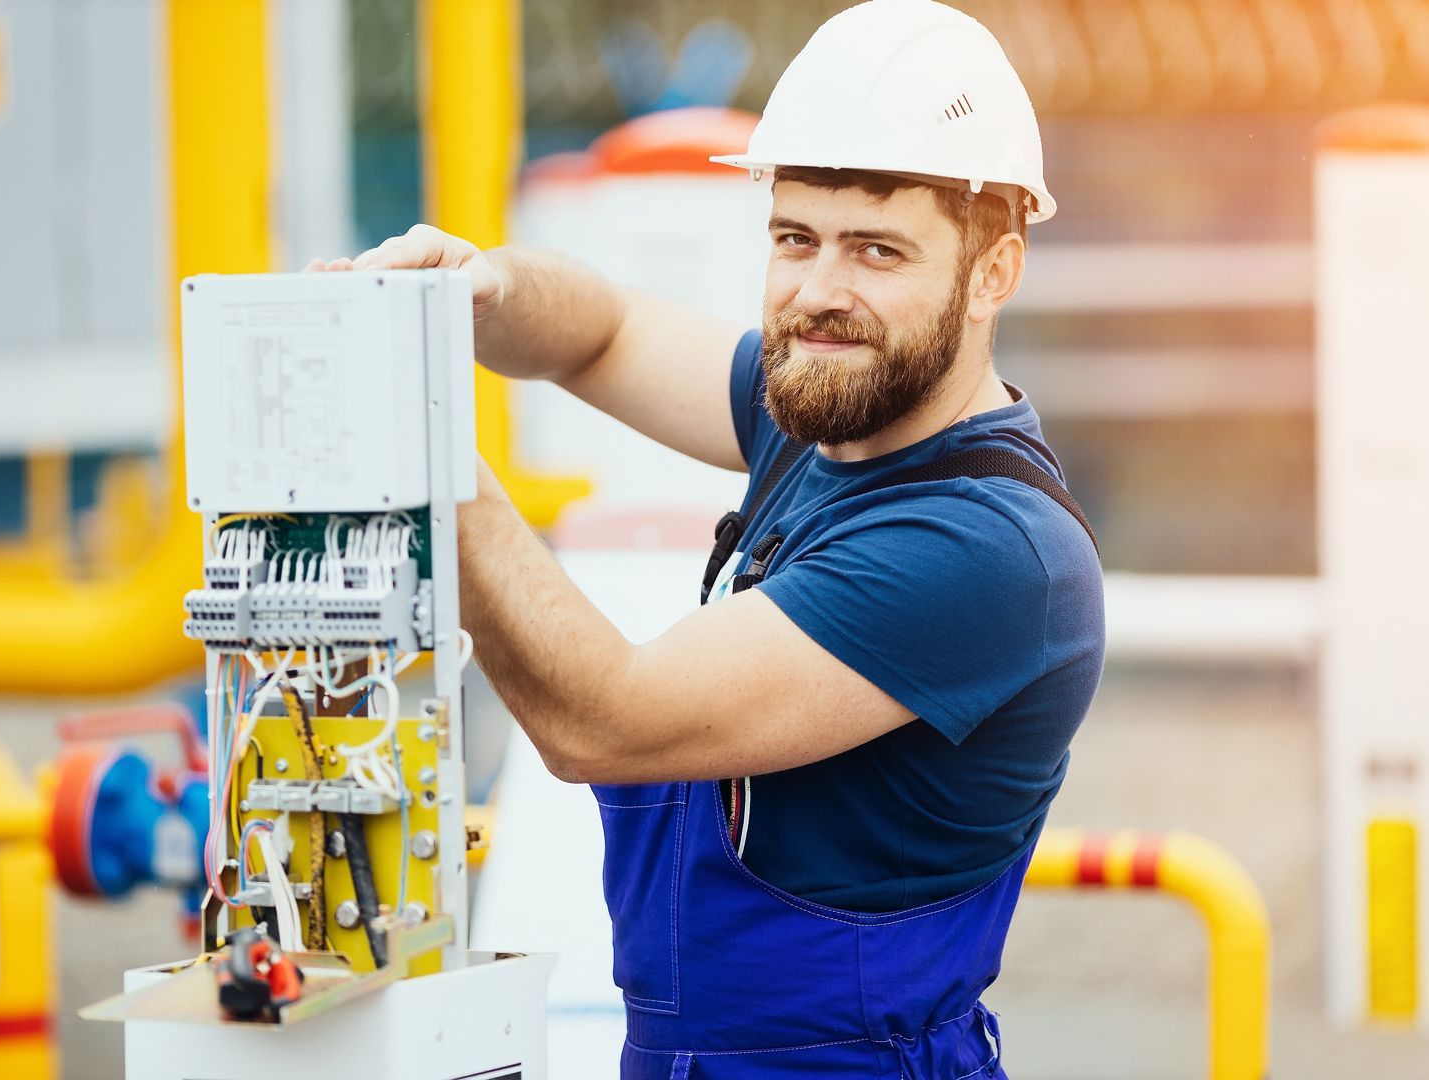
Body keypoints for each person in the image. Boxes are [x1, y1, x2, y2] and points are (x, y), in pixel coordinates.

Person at [311, 2, 1103, 1075]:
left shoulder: (986, 552)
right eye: (794, 238)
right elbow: (606, 331)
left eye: (877, 249)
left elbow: (605, 721)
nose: (821, 293)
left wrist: (421, 438)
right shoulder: (823, 418)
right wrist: (481, 288)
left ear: (994, 272)